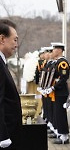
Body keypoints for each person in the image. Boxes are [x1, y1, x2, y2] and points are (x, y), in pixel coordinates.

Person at [0, 19, 22, 150]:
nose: (16, 45)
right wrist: (2, 136)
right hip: (5, 137)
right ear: (2, 39)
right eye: (14, 40)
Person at [47, 42, 70, 144]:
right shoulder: (57, 62)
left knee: (60, 114)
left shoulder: (62, 62)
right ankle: (60, 133)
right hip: (57, 91)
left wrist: (53, 87)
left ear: (60, 50)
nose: (53, 51)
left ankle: (64, 136)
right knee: (57, 114)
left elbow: (63, 78)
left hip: (61, 92)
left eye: (55, 49)